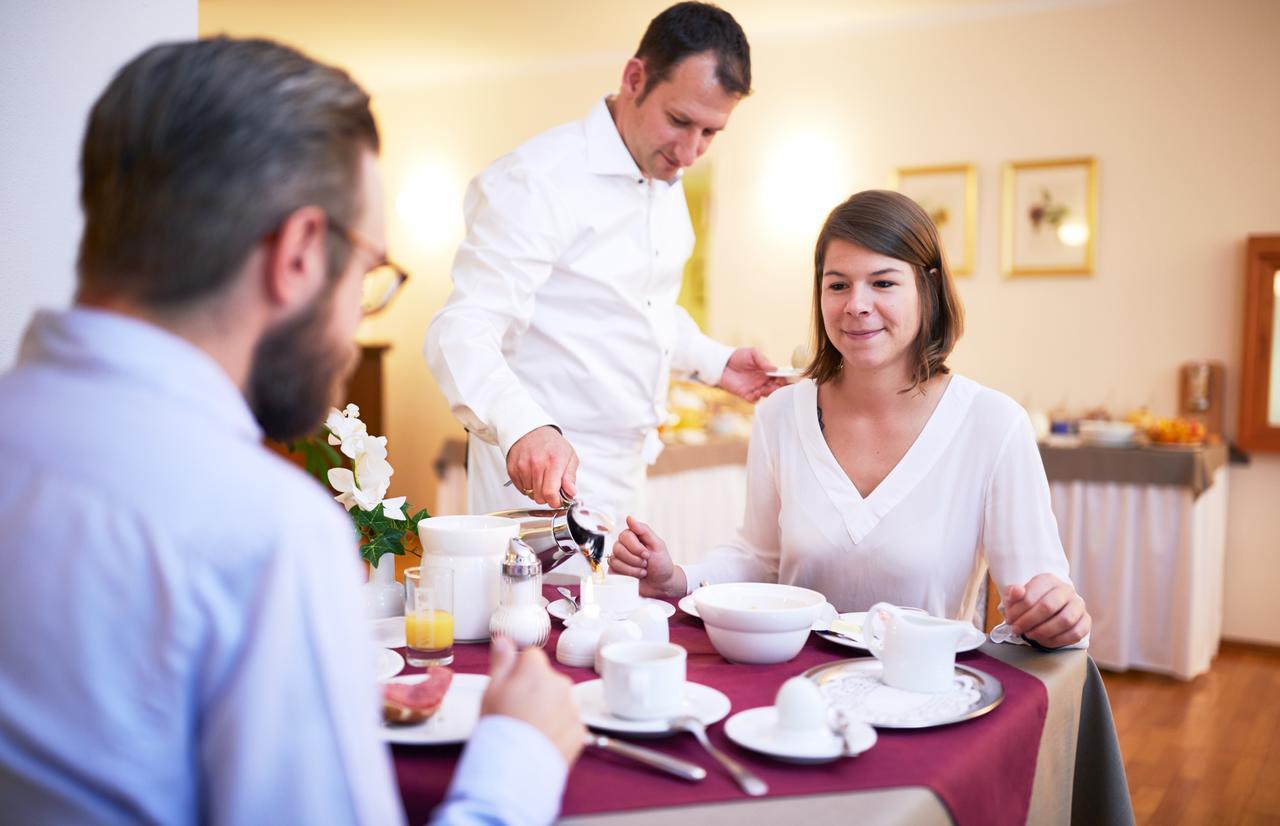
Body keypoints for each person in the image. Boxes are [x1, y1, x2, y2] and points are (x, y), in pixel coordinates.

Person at [0, 37, 581, 825]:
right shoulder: (263, 533)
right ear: (302, 252)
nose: (353, 328)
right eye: (369, 272)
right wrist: (521, 755)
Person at [610, 190, 1092, 649]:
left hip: (922, 700)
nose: (856, 305)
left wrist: (1054, 615)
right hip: (792, 695)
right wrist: (676, 578)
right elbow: (760, 560)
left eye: (883, 282)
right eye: (837, 284)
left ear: (928, 289)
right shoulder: (781, 414)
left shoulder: (993, 424)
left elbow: (1037, 594)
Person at [425, 2, 785, 537]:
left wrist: (718, 362)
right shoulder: (537, 180)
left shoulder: (667, 181)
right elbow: (461, 328)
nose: (689, 152)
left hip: (628, 474)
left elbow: (642, 310)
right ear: (635, 78)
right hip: (541, 477)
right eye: (680, 120)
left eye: (711, 133)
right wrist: (525, 426)